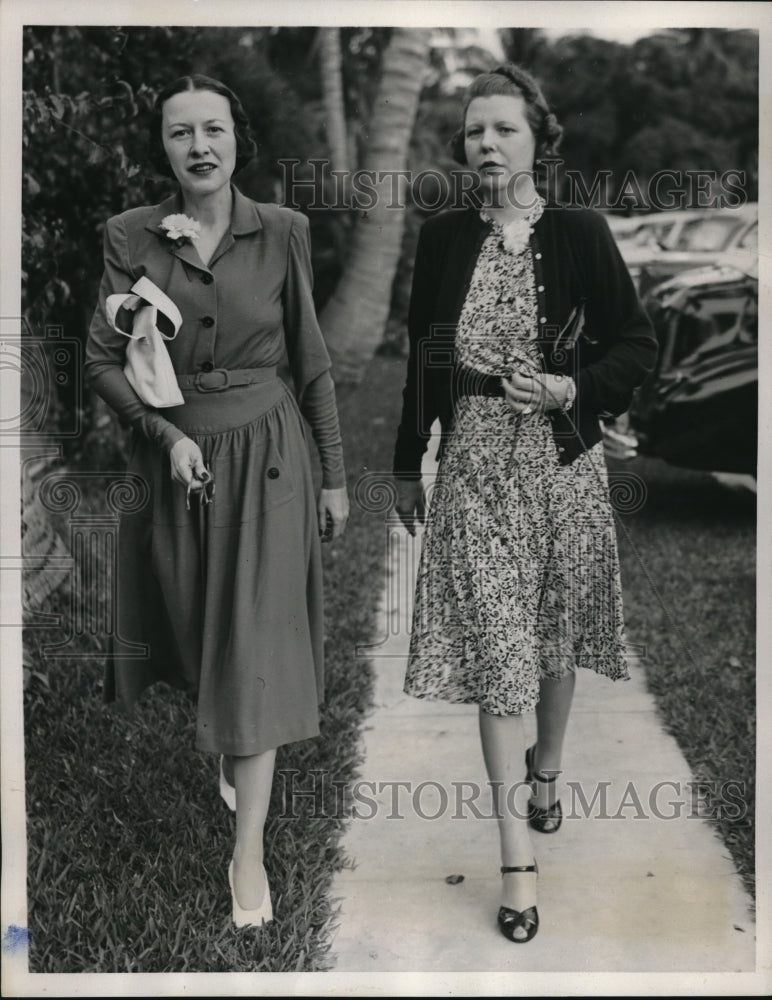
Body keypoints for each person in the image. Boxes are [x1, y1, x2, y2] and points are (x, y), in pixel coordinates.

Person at [392, 64, 658, 942]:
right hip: (474, 474)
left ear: (539, 140)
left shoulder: (580, 231)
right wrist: (407, 459)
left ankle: (549, 772)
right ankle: (516, 857)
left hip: (561, 469)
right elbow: (426, 357)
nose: (487, 145)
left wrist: (569, 387)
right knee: (500, 656)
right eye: (474, 132)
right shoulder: (440, 239)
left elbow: (636, 344)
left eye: (504, 129)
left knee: (551, 638)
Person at [86, 75, 349, 929]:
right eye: (179, 133)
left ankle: (249, 858)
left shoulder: (282, 232)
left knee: (255, 659)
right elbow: (99, 359)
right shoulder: (130, 238)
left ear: (239, 138)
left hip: (271, 456)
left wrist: (338, 476)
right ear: (161, 147)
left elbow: (310, 360)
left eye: (214, 129)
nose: (199, 146)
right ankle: (236, 749)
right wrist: (166, 438)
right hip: (181, 461)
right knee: (201, 639)